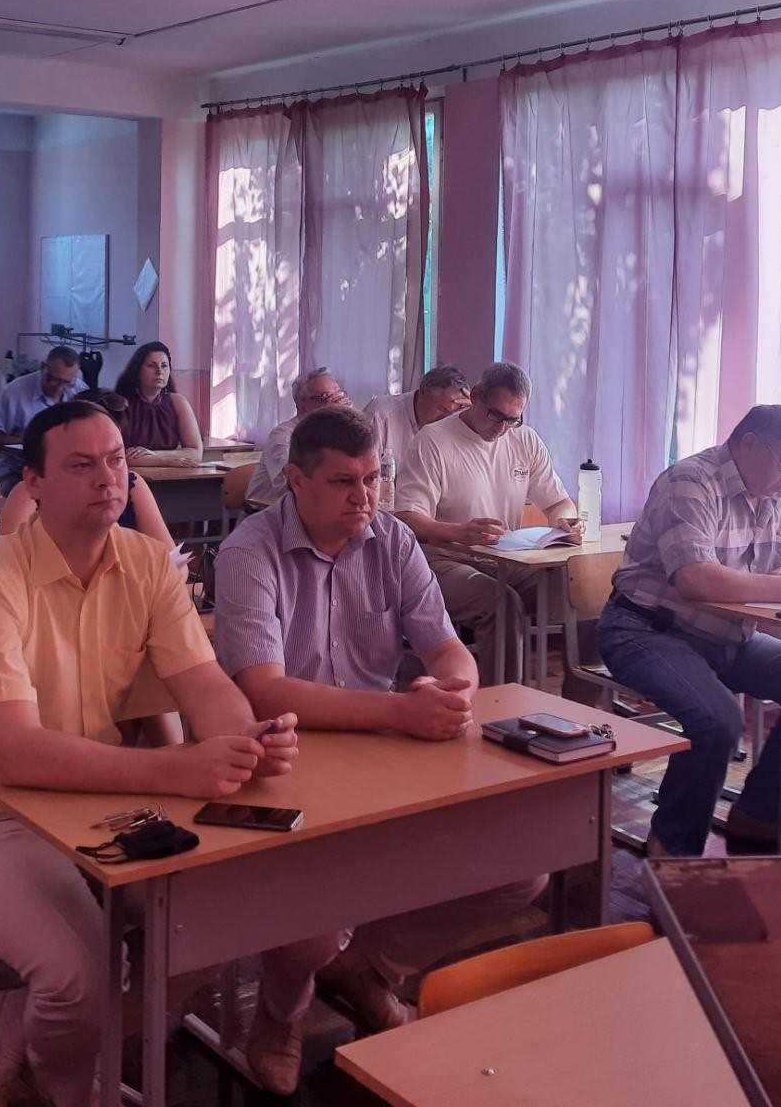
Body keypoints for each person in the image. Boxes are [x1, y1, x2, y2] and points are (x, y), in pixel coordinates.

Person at [0, 399, 298, 1107]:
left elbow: (204, 683)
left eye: (115, 462)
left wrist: (243, 739)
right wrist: (177, 768)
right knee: (81, 977)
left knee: (216, 925)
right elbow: (16, 757)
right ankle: (67, 1079)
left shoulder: (148, 564)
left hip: (99, 804)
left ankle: (26, 1028)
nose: (108, 479)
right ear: (34, 485)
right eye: (81, 466)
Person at [217, 406, 543, 1094]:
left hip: (382, 744)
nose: (363, 498)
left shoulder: (391, 539)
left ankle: (367, 968)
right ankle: (279, 1015)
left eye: (372, 479)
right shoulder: (251, 550)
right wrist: (401, 710)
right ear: (296, 481)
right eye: (343, 482)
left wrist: (453, 691)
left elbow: (448, 649)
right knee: (308, 920)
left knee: (521, 869)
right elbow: (266, 692)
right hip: (286, 754)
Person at [595, 404, 781, 857]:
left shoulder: (780, 493)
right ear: (748, 444)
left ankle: (765, 818)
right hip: (647, 630)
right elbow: (695, 579)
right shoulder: (691, 483)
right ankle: (673, 848)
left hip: (728, 635)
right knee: (718, 719)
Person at [396, 361, 581, 686]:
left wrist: (565, 522)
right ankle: (503, 703)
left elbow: (558, 502)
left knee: (579, 590)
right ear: (475, 396)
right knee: (501, 603)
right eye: (496, 415)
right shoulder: (433, 440)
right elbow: (407, 519)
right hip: (442, 559)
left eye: (513, 419)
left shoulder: (524, 440)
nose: (502, 428)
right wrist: (460, 532)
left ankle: (586, 702)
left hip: (505, 557)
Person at [0, 391, 174, 548]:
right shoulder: (29, 493)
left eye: (115, 458)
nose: (108, 478)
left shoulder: (131, 485)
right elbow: (3, 562)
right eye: (82, 465)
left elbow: (172, 563)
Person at [0, 346, 84, 490]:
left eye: (67, 383)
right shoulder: (14, 392)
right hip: (19, 467)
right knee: (6, 492)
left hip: (65, 468)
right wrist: (24, 439)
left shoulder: (79, 390)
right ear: (43, 367)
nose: (60, 388)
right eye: (54, 380)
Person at [247, 367, 353, 506]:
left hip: (313, 508)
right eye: (326, 397)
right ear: (303, 406)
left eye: (339, 394)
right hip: (266, 512)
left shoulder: (338, 434)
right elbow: (298, 477)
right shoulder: (282, 435)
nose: (337, 402)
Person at [364, 363, 470, 474]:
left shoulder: (456, 424)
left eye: (453, 413)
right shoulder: (380, 415)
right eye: (442, 409)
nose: (446, 418)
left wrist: (473, 421)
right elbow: (364, 472)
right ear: (423, 391)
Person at [112, 341, 202, 465]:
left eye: (164, 366)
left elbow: (196, 453)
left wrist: (154, 454)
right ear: (137, 371)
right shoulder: (121, 404)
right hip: (133, 474)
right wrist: (164, 460)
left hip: (171, 474)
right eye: (151, 366)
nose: (159, 371)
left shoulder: (178, 402)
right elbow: (116, 456)